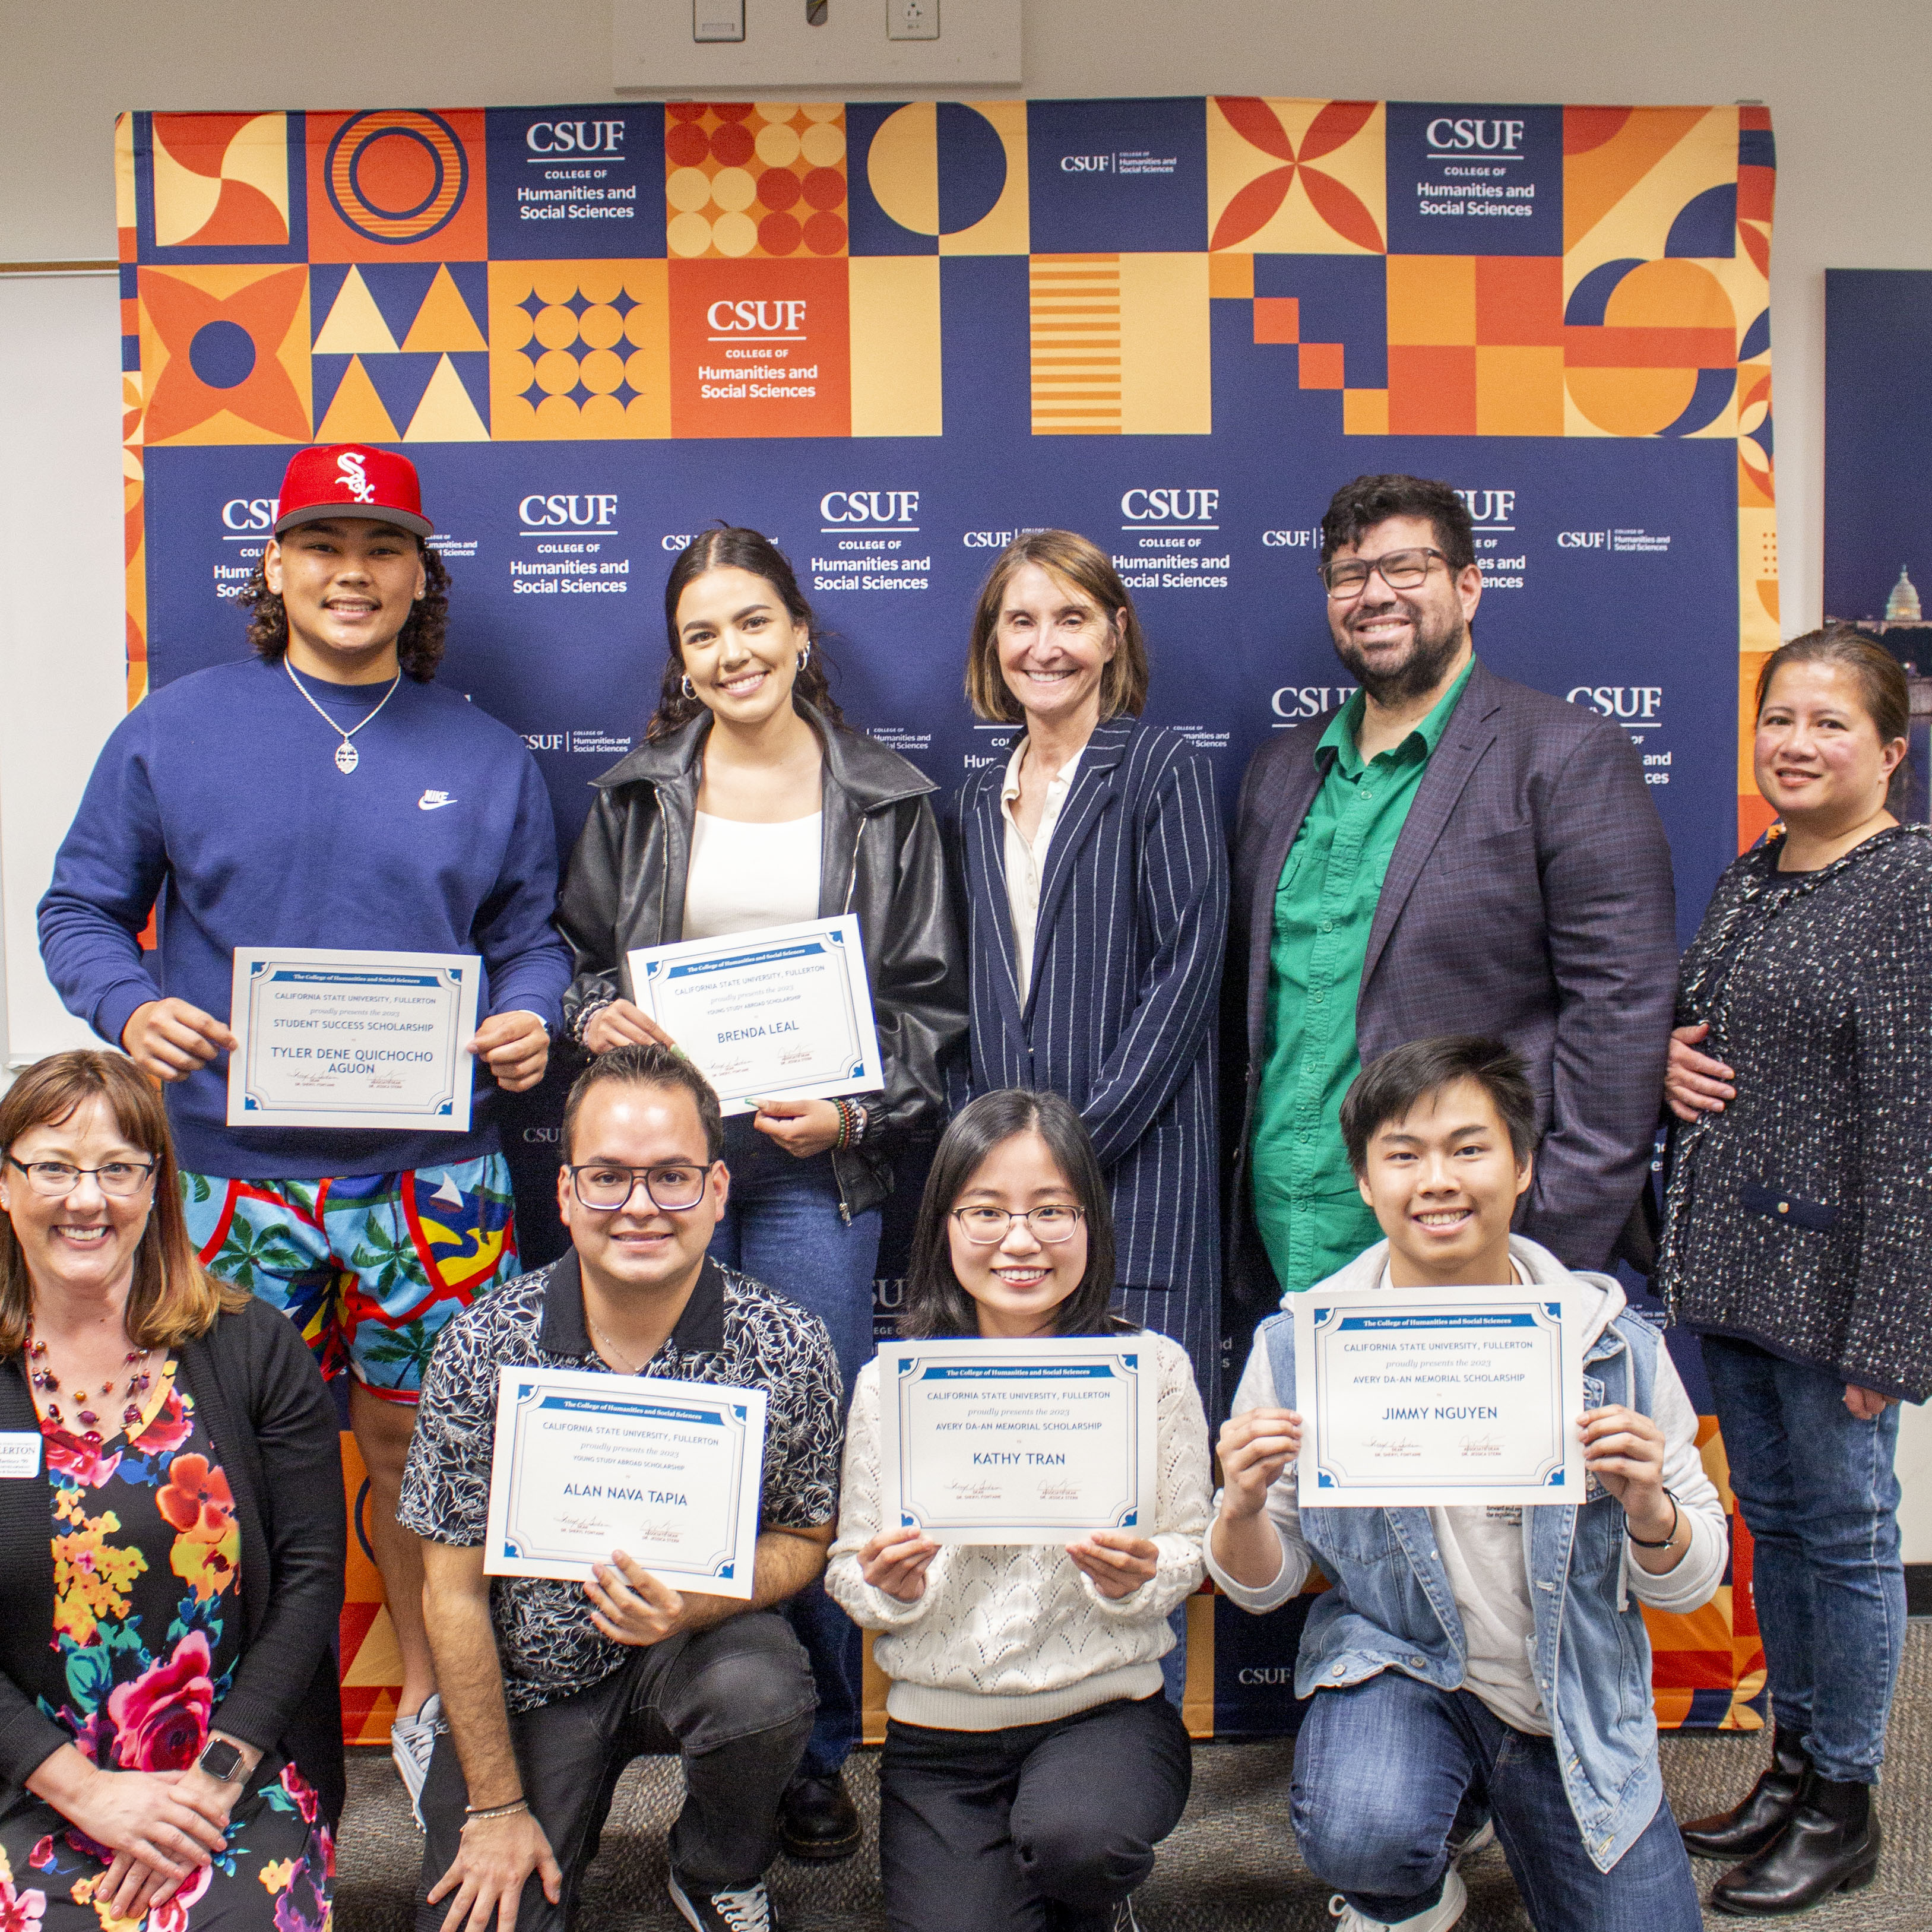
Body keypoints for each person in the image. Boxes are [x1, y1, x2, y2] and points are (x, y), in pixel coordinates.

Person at [37, 443, 572, 1805]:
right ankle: (212, 1724)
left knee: (423, 1456)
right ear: (274, 566)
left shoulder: (486, 753)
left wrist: (529, 1014)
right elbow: (79, 908)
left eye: (381, 547)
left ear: (417, 575)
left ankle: (439, 1711)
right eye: (323, 545)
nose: (353, 571)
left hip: (431, 1183)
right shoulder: (177, 724)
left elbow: (532, 943)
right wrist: (128, 1006)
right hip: (223, 1175)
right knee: (214, 1459)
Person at [555, 525, 966, 1859]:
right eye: (700, 635)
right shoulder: (634, 796)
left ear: (800, 632)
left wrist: (855, 1108)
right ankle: (665, 1716)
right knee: (656, 1443)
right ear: (680, 661)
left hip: (809, 1170)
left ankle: (818, 1746)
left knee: (813, 1457)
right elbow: (572, 969)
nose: (729, 653)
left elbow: (928, 1010)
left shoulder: (891, 800)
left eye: (750, 623)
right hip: (657, 1178)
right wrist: (601, 1015)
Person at [1208, 1036, 1725, 1932]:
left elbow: (1689, 1580)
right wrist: (1243, 1506)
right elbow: (1264, 1583)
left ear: (1522, 1166)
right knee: (1363, 1827)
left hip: (1564, 1697)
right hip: (1400, 1664)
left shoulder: (1611, 1347)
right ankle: (1408, 1880)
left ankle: (1490, 1803)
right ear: (1366, 1182)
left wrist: (1650, 1509)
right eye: (1402, 1155)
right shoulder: (1299, 1349)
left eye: (1468, 1148)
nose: (1436, 1179)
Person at [397, 1042, 844, 1932]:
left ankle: (717, 1865)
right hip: (532, 1673)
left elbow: (805, 1536)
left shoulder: (788, 1343)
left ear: (717, 1190)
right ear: (563, 1193)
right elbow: (449, 1588)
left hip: (699, 1648)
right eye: (607, 1177)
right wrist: (492, 1806)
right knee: (484, 1917)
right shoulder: (481, 1344)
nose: (639, 1206)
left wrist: (688, 1603)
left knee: (763, 1692)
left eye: (672, 1176)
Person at [1225, 473, 1677, 1319]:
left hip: (1475, 1256)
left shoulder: (1565, 755)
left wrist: (1542, 1261)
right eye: (1349, 575)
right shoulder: (1278, 772)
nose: (1375, 595)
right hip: (1285, 1239)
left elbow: (1618, 1018)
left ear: (1467, 585)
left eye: (1406, 567)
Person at [1656, 627, 1929, 1915]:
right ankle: (1793, 1762)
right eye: (1780, 719)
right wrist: (1668, 1065)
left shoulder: (1905, 889)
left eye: (1829, 724)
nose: (1796, 744)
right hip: (1734, 1270)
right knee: (1780, 1530)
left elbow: (1914, 1125)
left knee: (1848, 1535)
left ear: (1888, 750)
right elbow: (1708, 1031)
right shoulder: (1753, 874)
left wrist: (1891, 1334)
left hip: (1835, 1288)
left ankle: (1849, 1800)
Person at [827, 1089, 1208, 1932]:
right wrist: (891, 1586)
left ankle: (1096, 1893)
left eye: (1050, 1210)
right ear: (944, 1223)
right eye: (986, 1210)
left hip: (1102, 1712)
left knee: (1080, 1844)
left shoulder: (1152, 1369)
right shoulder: (893, 1384)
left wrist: (1142, 1576)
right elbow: (848, 1568)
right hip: (937, 1740)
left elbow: (1192, 1545)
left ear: (1089, 1222)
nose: (1021, 1238)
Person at [0, 1050, 342, 1932]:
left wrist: (210, 1784)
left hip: (234, 1772)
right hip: (25, 1774)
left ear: (158, 1187)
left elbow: (308, 1580)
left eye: (119, 1167)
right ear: (5, 1185)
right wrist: (86, 1793)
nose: (88, 1197)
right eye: (54, 1167)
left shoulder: (252, 1346)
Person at [952, 533, 1227, 1410]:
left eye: (1071, 619)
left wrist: (1068, 1154)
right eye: (1021, 621)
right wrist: (1001, 1172)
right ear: (993, 641)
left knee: (1145, 1462)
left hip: (1137, 1175)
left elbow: (1185, 974)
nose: (1045, 646)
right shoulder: (973, 797)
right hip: (1011, 1203)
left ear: (1114, 634)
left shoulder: (1160, 768)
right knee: (1023, 1445)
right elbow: (972, 998)